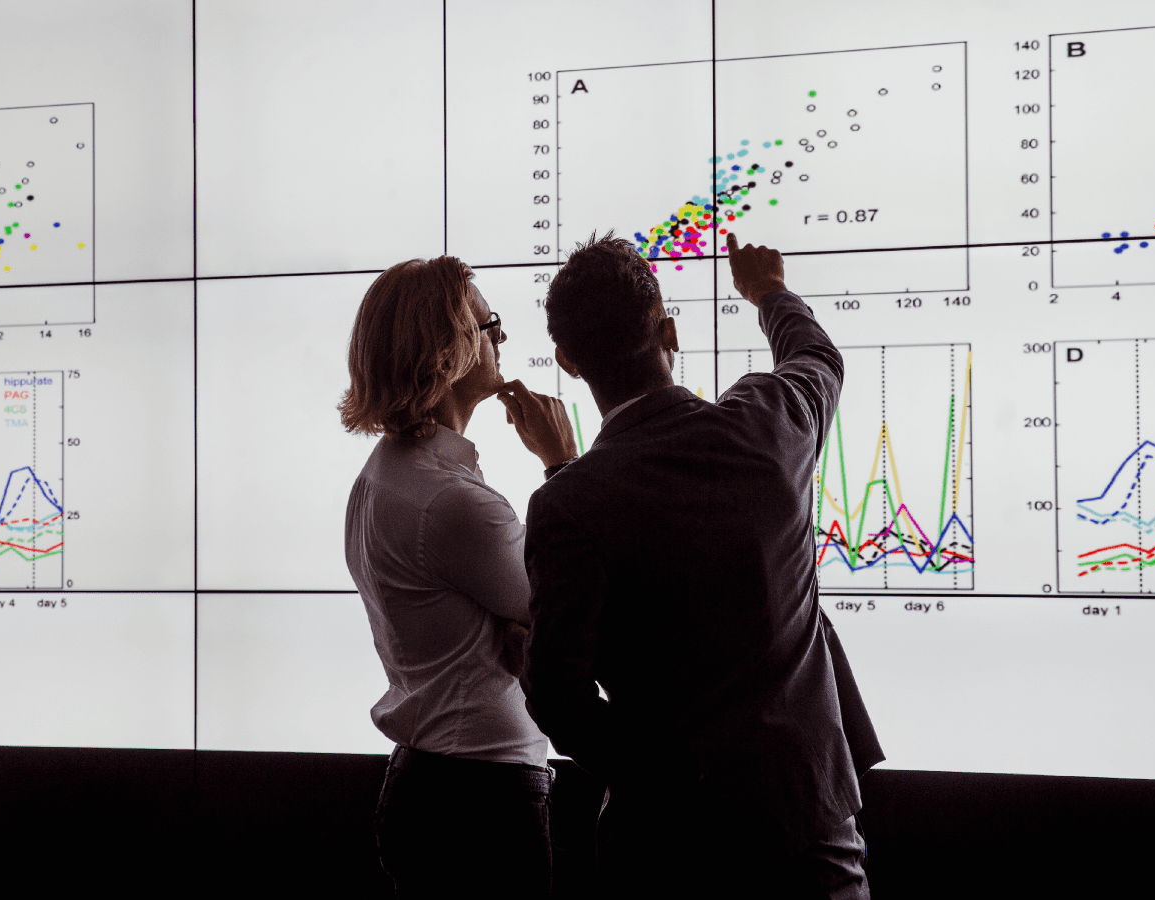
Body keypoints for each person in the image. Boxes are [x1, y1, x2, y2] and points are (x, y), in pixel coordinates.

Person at [507, 231, 885, 896]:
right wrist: (768, 292)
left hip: (667, 847)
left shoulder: (569, 502)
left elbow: (558, 699)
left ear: (567, 361)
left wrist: (665, 773)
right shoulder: (767, 424)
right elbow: (817, 357)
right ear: (669, 333)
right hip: (807, 833)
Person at [339, 256, 578, 899]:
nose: (500, 337)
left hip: (433, 786)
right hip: (480, 801)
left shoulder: (383, 476)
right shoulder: (451, 502)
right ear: (447, 350)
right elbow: (575, 612)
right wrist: (563, 464)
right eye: (487, 324)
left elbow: (531, 615)